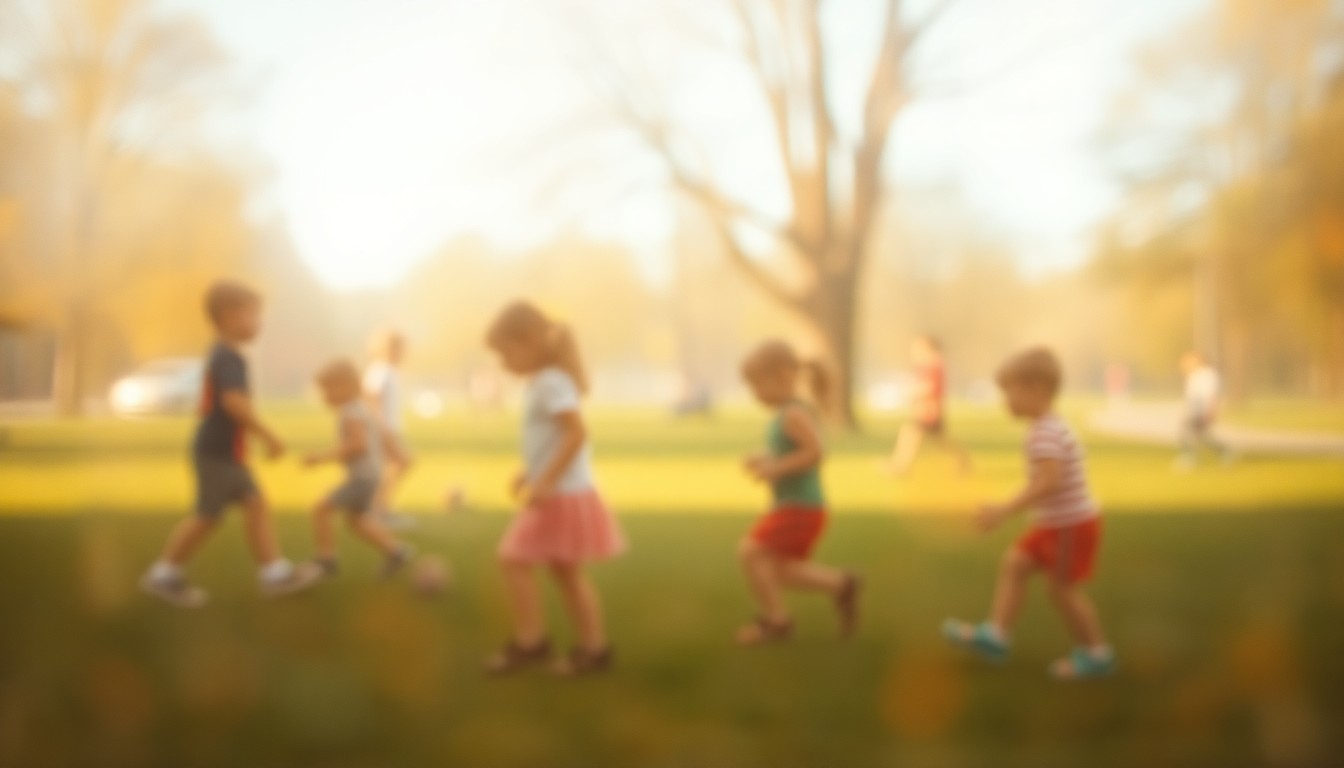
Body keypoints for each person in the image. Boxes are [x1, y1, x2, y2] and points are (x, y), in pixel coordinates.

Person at [140, 280, 321, 607]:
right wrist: (268, 436)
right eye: (253, 314)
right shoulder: (229, 357)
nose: (259, 323)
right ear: (228, 316)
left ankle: (274, 574)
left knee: (255, 504)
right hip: (216, 454)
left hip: (226, 454)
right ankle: (163, 574)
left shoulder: (226, 353)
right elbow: (233, 403)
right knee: (207, 516)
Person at [942, 347, 1114, 680]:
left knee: (1061, 591)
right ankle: (997, 635)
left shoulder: (1045, 433)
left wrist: (1005, 509)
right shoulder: (1047, 427)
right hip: (1054, 523)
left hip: (1069, 525)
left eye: (1009, 392)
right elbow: (1046, 481)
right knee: (1016, 563)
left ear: (1037, 390)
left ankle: (1097, 655)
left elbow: (1049, 482)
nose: (1005, 401)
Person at [483, 301, 626, 676]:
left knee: (513, 558)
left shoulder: (550, 382)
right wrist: (529, 470)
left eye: (505, 352)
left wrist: (544, 480)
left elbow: (577, 432)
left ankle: (532, 643)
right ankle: (594, 651)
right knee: (565, 573)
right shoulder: (545, 381)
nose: (503, 363)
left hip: (560, 495)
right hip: (564, 491)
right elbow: (551, 439)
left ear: (529, 340)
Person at [735, 340, 861, 646]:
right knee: (779, 570)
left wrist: (775, 469)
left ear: (781, 376)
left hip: (799, 507)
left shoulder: (793, 414)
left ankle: (778, 622)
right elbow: (792, 451)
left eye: (757, 386)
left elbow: (816, 452)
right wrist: (765, 459)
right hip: (798, 506)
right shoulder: (787, 414)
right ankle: (841, 585)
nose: (755, 396)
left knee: (750, 552)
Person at [305, 359, 415, 578]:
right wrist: (396, 453)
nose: (324, 396)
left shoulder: (350, 412)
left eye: (327, 390)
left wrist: (321, 458)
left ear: (346, 386)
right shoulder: (360, 408)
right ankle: (397, 551)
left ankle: (326, 560)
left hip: (362, 479)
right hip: (370, 476)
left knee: (321, 509)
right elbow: (381, 437)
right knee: (358, 522)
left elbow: (358, 445)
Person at [885, 335, 972, 477]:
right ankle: (963, 461)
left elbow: (930, 388)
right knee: (933, 440)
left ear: (928, 349)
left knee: (910, 435)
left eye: (917, 349)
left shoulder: (934, 367)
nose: (914, 353)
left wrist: (913, 393)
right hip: (924, 411)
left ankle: (900, 468)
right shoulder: (928, 367)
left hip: (929, 412)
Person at [363, 330, 416, 528]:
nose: (401, 353)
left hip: (390, 429)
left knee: (394, 466)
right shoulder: (381, 370)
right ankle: (378, 510)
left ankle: (380, 509)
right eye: (397, 348)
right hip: (382, 430)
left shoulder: (391, 371)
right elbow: (371, 399)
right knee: (403, 462)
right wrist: (381, 427)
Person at [1177, 352, 1234, 469]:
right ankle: (1225, 452)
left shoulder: (1208, 375)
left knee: (1189, 432)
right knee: (1201, 435)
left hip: (1203, 410)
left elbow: (1212, 395)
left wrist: (1210, 412)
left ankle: (1189, 458)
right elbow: (1191, 396)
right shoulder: (1193, 375)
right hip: (1194, 410)